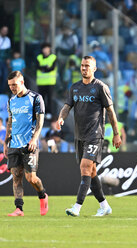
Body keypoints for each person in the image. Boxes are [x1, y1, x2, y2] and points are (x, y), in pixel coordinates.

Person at [56, 56, 121, 217]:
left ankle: (77, 207)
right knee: (91, 172)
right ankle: (105, 206)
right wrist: (61, 117)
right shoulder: (75, 88)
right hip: (80, 136)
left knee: (85, 167)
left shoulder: (101, 87)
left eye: (88, 66)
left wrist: (116, 133)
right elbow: (67, 106)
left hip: (95, 135)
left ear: (94, 69)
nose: (84, 68)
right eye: (83, 66)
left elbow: (111, 112)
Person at [4, 71, 48, 216]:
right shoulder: (11, 101)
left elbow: (40, 122)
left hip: (29, 143)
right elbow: (10, 122)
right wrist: (6, 142)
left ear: (22, 82)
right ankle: (19, 209)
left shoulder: (35, 98)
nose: (12, 88)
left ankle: (42, 195)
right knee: (16, 177)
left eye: (14, 85)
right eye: (10, 85)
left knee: (31, 178)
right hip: (14, 144)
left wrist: (34, 139)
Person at [36, 43, 57, 119]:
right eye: (44, 48)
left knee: (50, 98)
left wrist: (43, 68)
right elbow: (38, 67)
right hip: (41, 82)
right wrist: (47, 67)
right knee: (41, 99)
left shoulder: (53, 57)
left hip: (50, 82)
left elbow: (52, 68)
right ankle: (42, 113)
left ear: (50, 49)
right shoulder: (39, 57)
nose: (45, 50)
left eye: (47, 48)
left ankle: (49, 113)